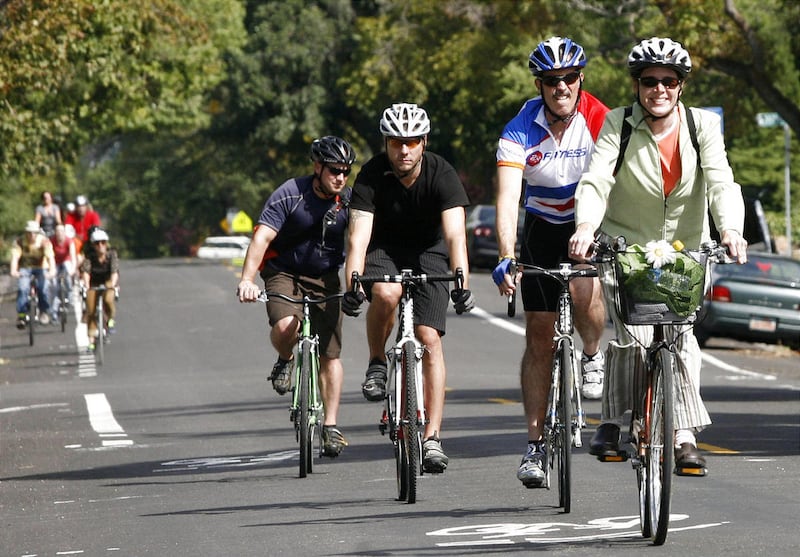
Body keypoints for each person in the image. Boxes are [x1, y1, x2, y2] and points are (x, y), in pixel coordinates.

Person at [568, 37, 748, 473]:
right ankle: (612, 421)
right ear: (637, 85)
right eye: (650, 81)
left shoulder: (703, 126)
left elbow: (722, 182)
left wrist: (731, 229)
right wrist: (587, 226)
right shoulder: (619, 124)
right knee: (633, 336)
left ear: (681, 86)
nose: (659, 90)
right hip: (626, 249)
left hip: (687, 251)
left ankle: (683, 436)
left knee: (682, 339)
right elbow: (596, 180)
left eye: (669, 81)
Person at [493, 37, 610, 488]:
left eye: (570, 78)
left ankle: (593, 353)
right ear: (539, 84)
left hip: (587, 220)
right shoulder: (520, 126)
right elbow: (508, 198)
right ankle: (535, 445)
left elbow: (613, 181)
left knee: (583, 288)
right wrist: (507, 254)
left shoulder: (600, 119)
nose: (561, 87)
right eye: (551, 80)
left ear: (581, 79)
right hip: (541, 226)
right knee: (539, 335)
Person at [342, 103, 475, 474]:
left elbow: (455, 234)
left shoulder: (441, 172)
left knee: (429, 337)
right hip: (383, 249)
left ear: (424, 142)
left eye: (412, 142)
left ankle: (432, 437)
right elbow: (358, 238)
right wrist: (353, 281)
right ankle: (376, 362)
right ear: (387, 143)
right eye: (397, 142)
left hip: (430, 251)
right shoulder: (370, 174)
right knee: (385, 293)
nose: (404, 150)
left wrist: (461, 279)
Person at [237, 136, 356, 458]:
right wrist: (247, 280)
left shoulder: (347, 201)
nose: (341, 178)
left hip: (326, 278)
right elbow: (261, 236)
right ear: (317, 167)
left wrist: (359, 282)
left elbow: (363, 241)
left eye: (346, 171)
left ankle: (330, 426)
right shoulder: (289, 193)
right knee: (287, 325)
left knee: (331, 355)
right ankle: (286, 359)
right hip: (283, 272)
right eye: (334, 170)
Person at [79, 228, 120, 352]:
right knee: (90, 310)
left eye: (103, 242)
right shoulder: (90, 257)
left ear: (106, 243)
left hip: (107, 281)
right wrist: (86, 285)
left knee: (108, 299)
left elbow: (114, 271)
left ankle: (110, 320)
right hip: (94, 283)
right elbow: (86, 271)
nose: (100, 246)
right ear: (93, 245)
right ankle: (91, 341)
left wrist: (112, 284)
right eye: (97, 243)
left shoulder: (111, 254)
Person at [10, 221, 57, 328]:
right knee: (22, 288)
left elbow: (50, 258)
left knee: (43, 288)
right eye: (29, 233)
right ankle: (21, 315)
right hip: (25, 268)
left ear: (38, 233)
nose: (32, 235)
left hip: (41, 267)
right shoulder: (20, 242)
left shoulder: (44, 242)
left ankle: (44, 311)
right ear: (26, 232)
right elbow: (15, 258)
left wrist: (52, 271)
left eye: (34, 233)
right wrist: (14, 270)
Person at [49, 224, 78, 321]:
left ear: (64, 233)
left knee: (68, 279)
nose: (59, 234)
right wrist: (50, 270)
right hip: (55, 262)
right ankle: (53, 311)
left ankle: (70, 297)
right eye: (57, 232)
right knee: (54, 285)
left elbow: (73, 256)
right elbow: (49, 255)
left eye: (61, 232)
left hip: (66, 260)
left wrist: (73, 269)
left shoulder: (69, 241)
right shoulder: (51, 241)